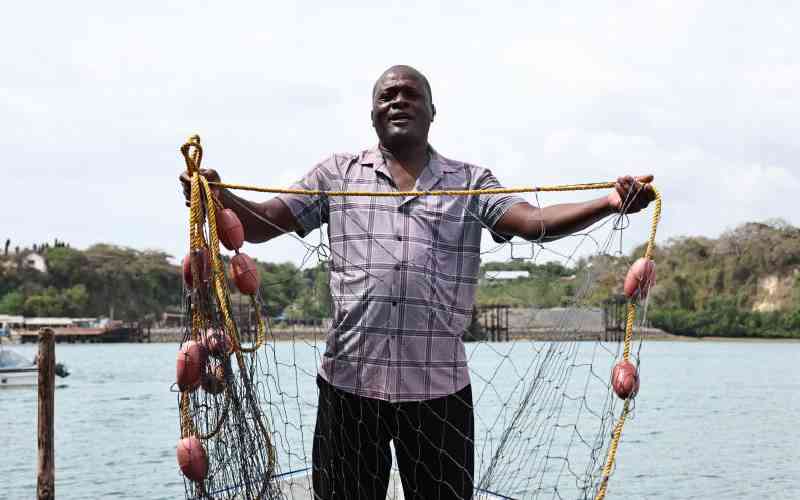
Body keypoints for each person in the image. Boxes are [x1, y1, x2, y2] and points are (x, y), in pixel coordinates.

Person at [180, 65, 655, 500]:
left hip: (439, 392)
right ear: (372, 115)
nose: (399, 101)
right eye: (388, 95)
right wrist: (219, 196)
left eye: (411, 94)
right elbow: (265, 222)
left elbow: (531, 221)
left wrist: (608, 201)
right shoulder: (337, 174)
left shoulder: (469, 182)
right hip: (349, 387)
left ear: (432, 112)